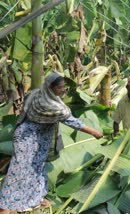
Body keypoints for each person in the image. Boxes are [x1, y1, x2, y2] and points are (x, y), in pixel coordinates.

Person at [0, 72, 103, 213]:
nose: (63, 90)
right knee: (18, 172)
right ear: (50, 87)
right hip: (27, 139)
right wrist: (94, 132)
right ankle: (5, 206)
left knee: (37, 168)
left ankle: (35, 198)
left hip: (40, 139)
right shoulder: (47, 103)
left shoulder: (40, 95)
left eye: (64, 87)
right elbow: (71, 121)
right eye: (60, 87)